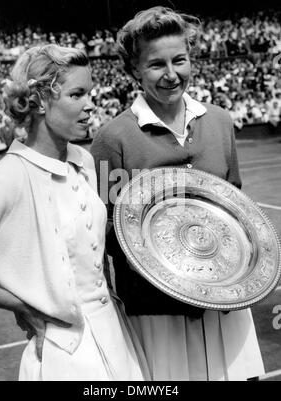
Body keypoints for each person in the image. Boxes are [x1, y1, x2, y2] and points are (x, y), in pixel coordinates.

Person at [91, 6, 265, 381]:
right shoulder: (114, 138)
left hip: (225, 308)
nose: (171, 75)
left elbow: (235, 205)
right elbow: (102, 230)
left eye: (180, 60)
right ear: (135, 69)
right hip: (157, 316)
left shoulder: (219, 121)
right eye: (156, 65)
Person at [0, 44, 149, 381]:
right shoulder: (4, 179)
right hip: (64, 354)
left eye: (89, 93)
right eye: (77, 94)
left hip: (117, 334)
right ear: (41, 100)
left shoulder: (83, 160)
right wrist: (24, 307)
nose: (90, 105)